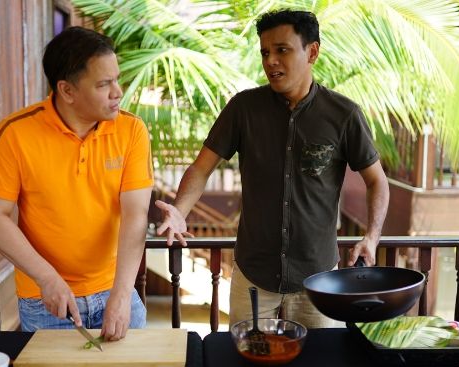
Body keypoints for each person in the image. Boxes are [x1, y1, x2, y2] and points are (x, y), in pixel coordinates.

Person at [155, 9, 390, 328]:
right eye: (265, 52)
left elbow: (377, 180)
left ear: (312, 52)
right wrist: (180, 210)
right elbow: (201, 168)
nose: (271, 61)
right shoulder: (243, 108)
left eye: (282, 50)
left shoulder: (344, 114)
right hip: (253, 275)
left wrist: (371, 237)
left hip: (319, 280)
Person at [0, 26, 153, 341]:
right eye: (104, 84)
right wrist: (47, 278)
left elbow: (136, 213)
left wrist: (123, 294)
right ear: (67, 90)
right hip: (46, 301)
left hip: (116, 290)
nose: (118, 92)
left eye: (117, 79)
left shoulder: (132, 131)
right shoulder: (15, 133)